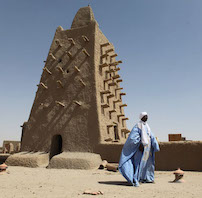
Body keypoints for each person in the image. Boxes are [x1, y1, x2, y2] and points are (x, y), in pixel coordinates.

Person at [119, 112, 160, 187]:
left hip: (147, 148)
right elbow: (132, 138)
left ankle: (148, 178)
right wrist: (139, 144)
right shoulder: (137, 126)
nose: (146, 117)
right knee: (139, 164)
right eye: (145, 116)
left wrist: (155, 145)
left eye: (147, 116)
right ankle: (136, 179)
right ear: (141, 117)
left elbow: (151, 136)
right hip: (140, 148)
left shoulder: (147, 126)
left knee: (148, 164)